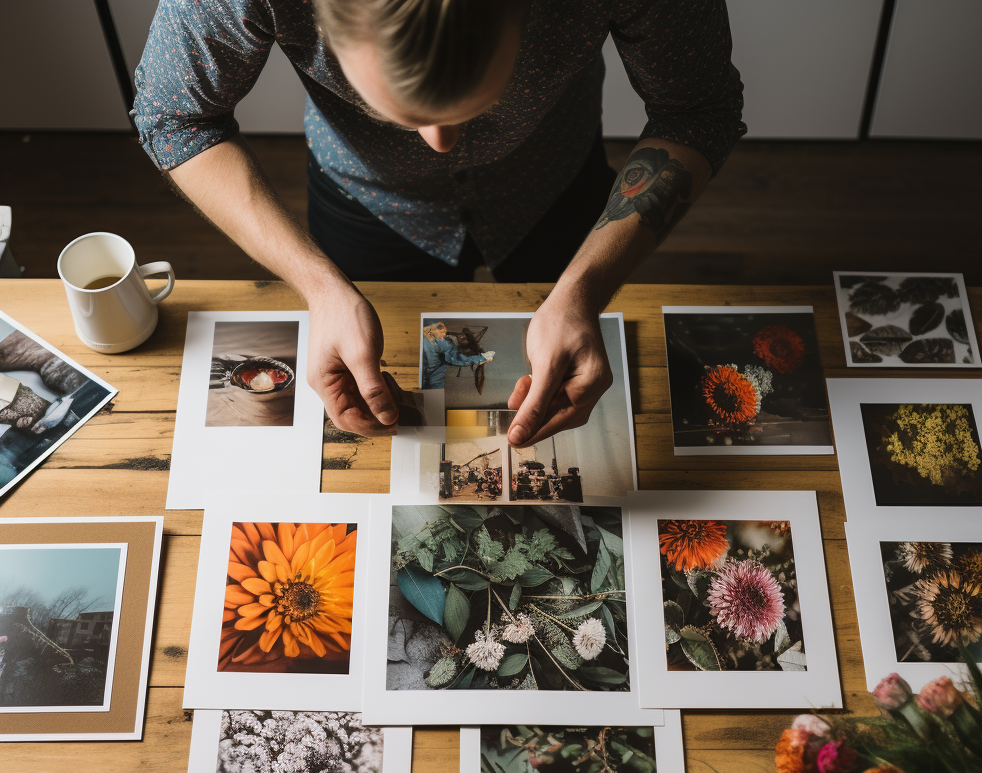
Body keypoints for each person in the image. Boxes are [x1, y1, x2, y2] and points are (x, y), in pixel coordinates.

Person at [133, 0, 744, 446]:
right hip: (364, 203)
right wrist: (319, 286)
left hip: (556, 184)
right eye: (398, 109)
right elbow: (176, 118)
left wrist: (584, 287)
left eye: (478, 101)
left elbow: (697, 109)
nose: (440, 144)